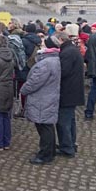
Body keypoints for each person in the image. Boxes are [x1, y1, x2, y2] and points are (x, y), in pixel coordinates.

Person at [20, 36, 61, 165]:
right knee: (46, 126)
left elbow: (35, 82)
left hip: (43, 98)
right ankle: (50, 150)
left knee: (44, 126)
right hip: (47, 96)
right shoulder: (53, 60)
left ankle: (45, 154)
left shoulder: (46, 63)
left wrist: (24, 89)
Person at [53, 31, 85, 158]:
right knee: (69, 120)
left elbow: (63, 71)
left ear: (60, 39)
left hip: (68, 91)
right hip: (73, 90)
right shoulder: (71, 49)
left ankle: (66, 147)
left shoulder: (67, 52)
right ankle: (70, 144)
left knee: (63, 121)